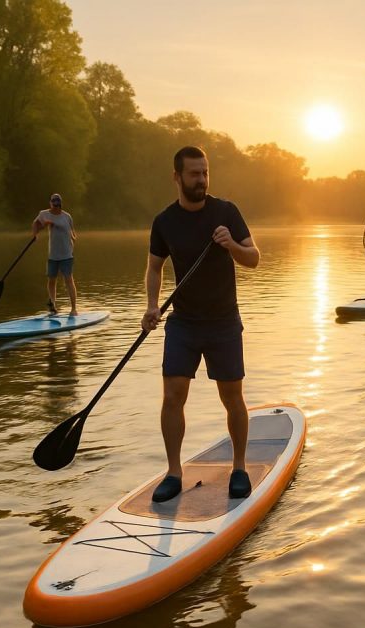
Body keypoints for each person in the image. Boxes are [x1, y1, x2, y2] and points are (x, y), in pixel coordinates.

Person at [141, 146, 261, 503]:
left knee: (232, 397)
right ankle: (174, 472)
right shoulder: (165, 222)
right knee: (173, 396)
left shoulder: (226, 212)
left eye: (205, 173)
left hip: (223, 321)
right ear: (176, 177)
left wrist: (231, 247)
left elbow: (254, 259)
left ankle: (239, 468)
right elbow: (154, 267)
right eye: (194, 174)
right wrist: (151, 305)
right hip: (184, 323)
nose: (202, 180)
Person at [31, 193, 78, 316]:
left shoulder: (67, 216)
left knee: (69, 279)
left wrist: (73, 238)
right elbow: (36, 224)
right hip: (53, 255)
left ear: (60, 204)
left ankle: (73, 309)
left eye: (58, 205)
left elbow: (73, 232)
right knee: (52, 280)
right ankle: (52, 307)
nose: (56, 207)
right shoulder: (44, 214)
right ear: (51, 203)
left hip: (67, 254)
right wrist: (35, 234)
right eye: (54, 205)